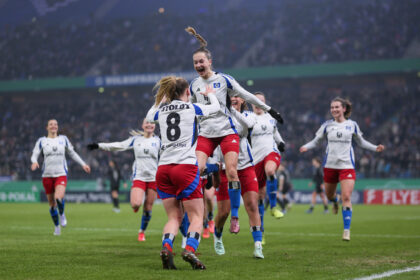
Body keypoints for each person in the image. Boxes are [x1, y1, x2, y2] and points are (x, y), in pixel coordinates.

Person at [186, 27, 284, 233]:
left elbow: (247, 95)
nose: (198, 65)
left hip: (225, 132)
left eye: (201, 61)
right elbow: (192, 110)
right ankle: (196, 214)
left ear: (210, 62)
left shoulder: (224, 80)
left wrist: (270, 110)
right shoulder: (194, 84)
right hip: (206, 134)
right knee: (196, 171)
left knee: (231, 171)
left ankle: (235, 218)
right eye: (195, 63)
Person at [146, 75, 220, 270]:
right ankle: (189, 249)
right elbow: (215, 109)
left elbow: (148, 117)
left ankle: (166, 246)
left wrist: (160, 102)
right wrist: (211, 95)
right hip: (185, 167)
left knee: (173, 217)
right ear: (188, 92)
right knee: (197, 215)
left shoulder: (161, 110)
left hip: (163, 169)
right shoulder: (191, 108)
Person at [300, 97, 385, 241]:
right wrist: (306, 146)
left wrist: (375, 147)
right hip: (330, 166)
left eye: (337, 107)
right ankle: (334, 201)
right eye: (332, 107)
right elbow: (316, 141)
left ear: (344, 109)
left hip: (347, 166)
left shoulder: (352, 125)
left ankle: (346, 230)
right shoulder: (327, 125)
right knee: (329, 195)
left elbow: (361, 142)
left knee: (347, 197)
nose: (334, 109)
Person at [87, 119, 160, 242]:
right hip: (139, 177)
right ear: (142, 125)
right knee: (136, 204)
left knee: (148, 207)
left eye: (151, 123)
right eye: (146, 123)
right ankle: (136, 206)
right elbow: (118, 145)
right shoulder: (136, 140)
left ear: (154, 126)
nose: (149, 125)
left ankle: (141, 232)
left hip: (154, 178)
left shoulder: (158, 141)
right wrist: (99, 145)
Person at [213, 95, 264, 258]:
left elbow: (246, 127)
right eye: (231, 96)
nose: (234, 98)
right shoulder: (217, 116)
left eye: (237, 96)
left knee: (252, 205)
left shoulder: (248, 116)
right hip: (224, 169)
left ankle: (257, 245)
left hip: (245, 166)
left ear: (243, 100)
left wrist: (232, 110)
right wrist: (213, 160)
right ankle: (218, 236)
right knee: (223, 213)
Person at [30, 119, 91, 236]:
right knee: (52, 205)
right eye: (51, 124)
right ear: (47, 127)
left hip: (61, 174)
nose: (54, 126)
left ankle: (62, 214)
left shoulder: (63, 139)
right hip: (47, 176)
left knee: (59, 197)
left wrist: (83, 164)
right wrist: (34, 162)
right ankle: (57, 226)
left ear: (57, 127)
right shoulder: (42, 141)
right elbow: (35, 154)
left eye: (56, 124)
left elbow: (72, 153)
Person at [249, 92, 285, 244]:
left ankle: (274, 207)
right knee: (259, 198)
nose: (258, 103)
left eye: (261, 101)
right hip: (255, 160)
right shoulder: (248, 118)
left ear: (265, 103)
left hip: (271, 152)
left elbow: (275, 132)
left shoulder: (271, 118)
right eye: (255, 101)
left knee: (271, 170)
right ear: (252, 103)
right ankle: (261, 231)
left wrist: (280, 142)